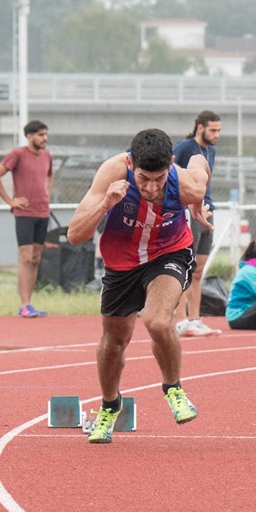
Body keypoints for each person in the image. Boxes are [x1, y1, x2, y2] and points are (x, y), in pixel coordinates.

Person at [67, 128, 211, 444]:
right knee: (115, 340)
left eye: (159, 178)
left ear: (171, 164)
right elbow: (75, 235)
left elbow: (200, 162)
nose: (151, 187)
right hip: (121, 262)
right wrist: (105, 203)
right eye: (144, 178)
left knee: (157, 322)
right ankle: (109, 406)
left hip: (169, 252)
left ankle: (173, 388)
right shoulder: (113, 172)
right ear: (131, 164)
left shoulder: (185, 185)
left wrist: (199, 204)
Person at [0, 120, 53, 318]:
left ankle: (29, 303)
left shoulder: (47, 155)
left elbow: (50, 175)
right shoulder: (18, 154)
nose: (44, 138)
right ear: (30, 136)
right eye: (41, 135)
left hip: (43, 212)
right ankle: (24, 305)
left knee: (35, 258)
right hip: (24, 213)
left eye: (45, 134)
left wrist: (46, 193)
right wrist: (10, 201)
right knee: (25, 257)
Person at [173, 110, 222, 337]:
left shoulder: (210, 150)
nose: (217, 134)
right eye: (213, 130)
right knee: (185, 267)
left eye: (219, 130)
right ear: (200, 127)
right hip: (188, 213)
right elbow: (170, 173)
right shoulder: (184, 148)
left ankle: (195, 318)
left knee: (198, 271)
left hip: (208, 211)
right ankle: (181, 320)